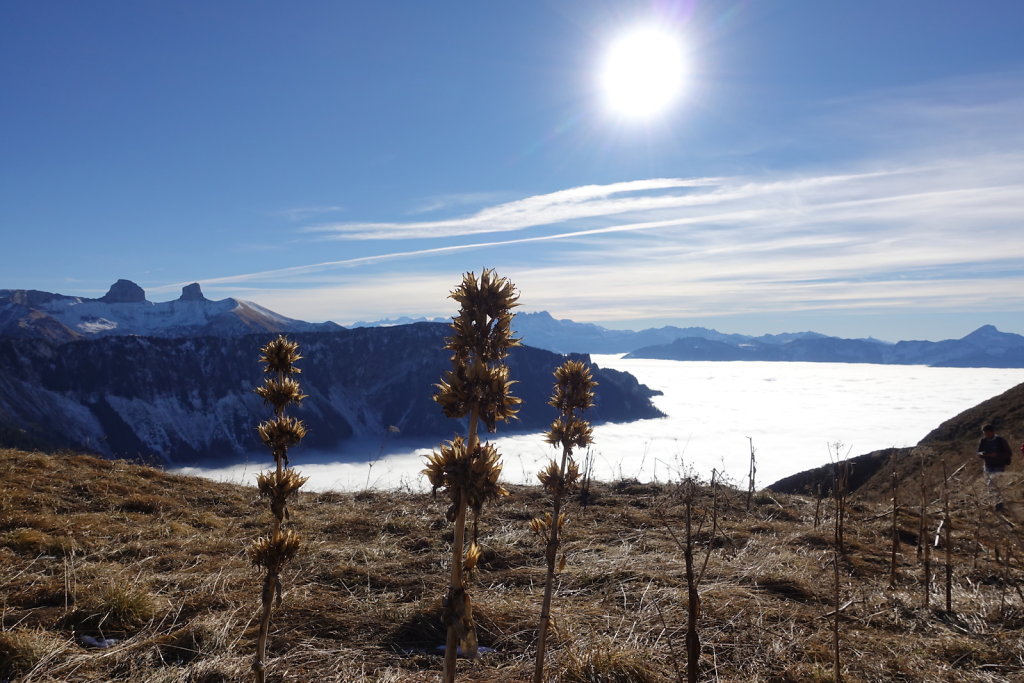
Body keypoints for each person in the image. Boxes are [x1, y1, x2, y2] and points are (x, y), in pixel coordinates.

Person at [977, 423, 1012, 512]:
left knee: (994, 484)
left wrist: (997, 455)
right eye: (985, 433)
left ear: (992, 432)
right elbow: (979, 453)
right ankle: (996, 503)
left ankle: (999, 505)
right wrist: (984, 454)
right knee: (990, 486)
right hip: (988, 465)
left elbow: (1008, 453)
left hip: (999, 465)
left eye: (988, 433)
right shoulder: (983, 441)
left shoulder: (1000, 440)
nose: (986, 435)